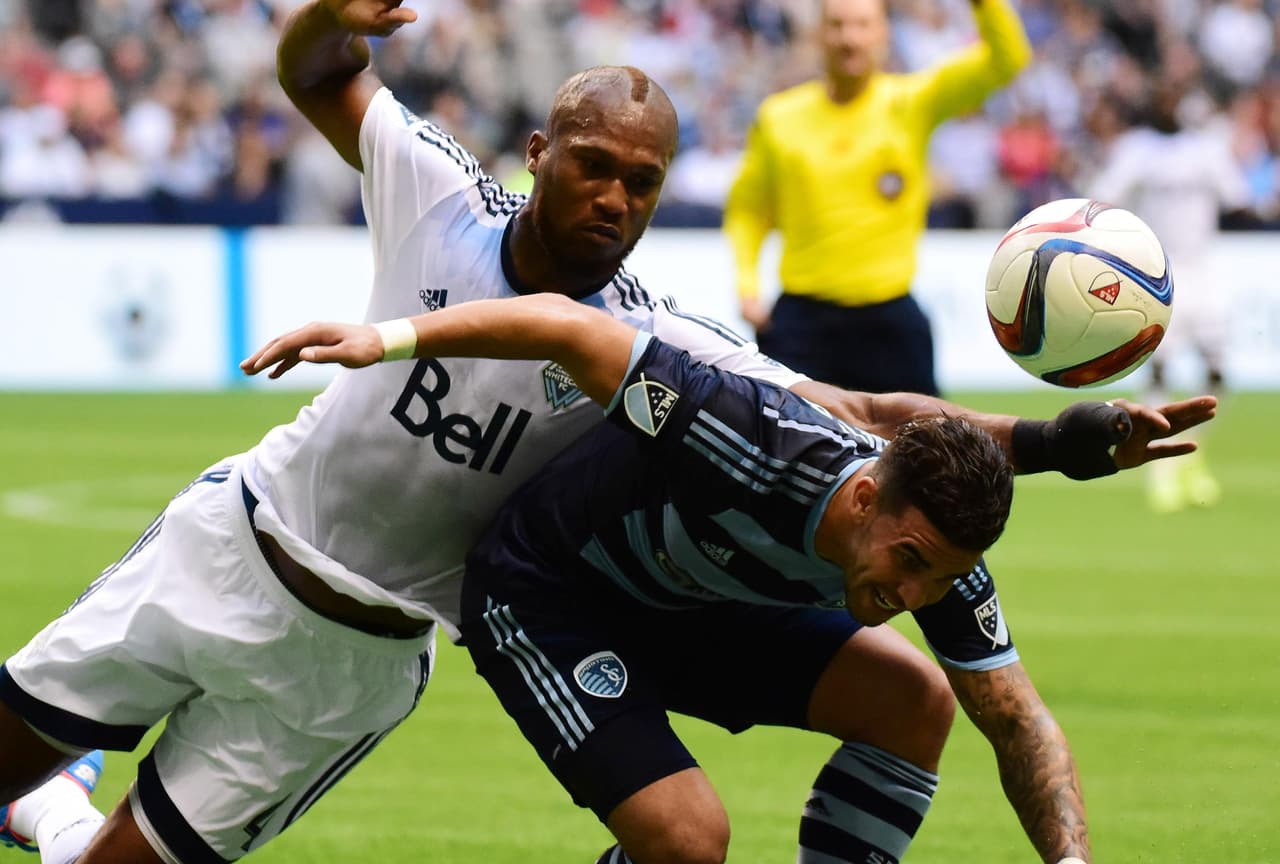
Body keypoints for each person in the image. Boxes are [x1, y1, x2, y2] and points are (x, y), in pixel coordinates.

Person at [0, 0, 1149, 864]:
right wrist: (328, 14)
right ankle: (42, 794)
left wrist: (1063, 438)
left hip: (359, 661)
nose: (612, 197)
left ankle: (53, 816)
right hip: (232, 548)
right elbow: (315, 72)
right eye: (592, 165)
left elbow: (855, 413)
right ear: (539, 152)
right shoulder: (439, 194)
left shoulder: (653, 343)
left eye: (640, 184)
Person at [241, 294, 1216, 864]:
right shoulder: (742, 431)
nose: (910, 594)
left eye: (935, 578)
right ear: (865, 499)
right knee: (687, 837)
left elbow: (1016, 717)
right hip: (549, 593)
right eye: (908, 563)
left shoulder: (936, 554)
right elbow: (566, 326)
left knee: (916, 700)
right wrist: (389, 337)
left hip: (701, 608)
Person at [723, 0, 1033, 395]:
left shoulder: (912, 102)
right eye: (838, 25)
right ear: (818, 33)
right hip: (801, 321)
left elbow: (1007, 59)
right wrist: (747, 285)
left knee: (933, 461)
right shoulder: (779, 117)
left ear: (883, 33)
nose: (850, 38)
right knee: (780, 463)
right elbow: (747, 209)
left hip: (889, 317)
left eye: (862, 25)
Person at [1088, 81, 1253, 512]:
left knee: (1218, 374)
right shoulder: (1136, 150)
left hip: (1203, 274)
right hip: (1155, 277)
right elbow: (1102, 200)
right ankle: (1162, 474)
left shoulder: (1207, 150)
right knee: (1159, 370)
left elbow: (1238, 199)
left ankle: (1190, 455)